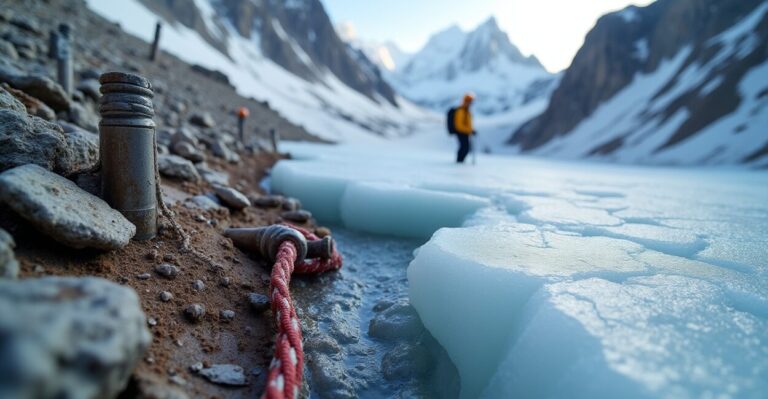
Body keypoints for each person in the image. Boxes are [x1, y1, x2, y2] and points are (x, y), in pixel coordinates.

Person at [453, 93, 475, 163]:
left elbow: (468, 123)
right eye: (469, 101)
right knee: (464, 147)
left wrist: (471, 130)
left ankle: (460, 161)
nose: (470, 103)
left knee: (465, 147)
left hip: (465, 132)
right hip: (461, 132)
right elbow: (459, 125)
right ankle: (459, 161)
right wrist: (469, 130)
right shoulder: (461, 111)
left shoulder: (466, 111)